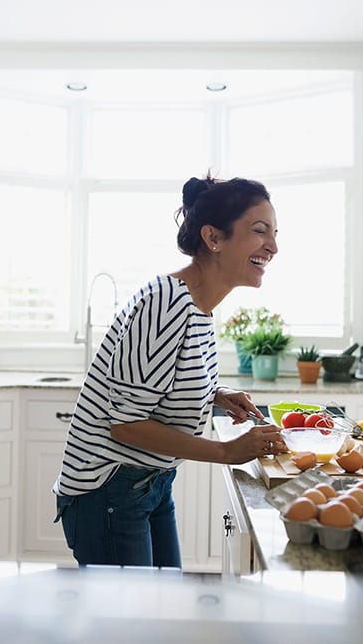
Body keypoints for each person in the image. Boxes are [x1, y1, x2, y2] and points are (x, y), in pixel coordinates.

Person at [53, 173, 287, 568]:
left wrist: (216, 394)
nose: (274, 246)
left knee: (158, 613)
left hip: (150, 483)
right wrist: (226, 451)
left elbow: (164, 378)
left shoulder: (200, 306)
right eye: (260, 230)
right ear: (214, 238)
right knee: (136, 626)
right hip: (108, 488)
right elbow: (125, 424)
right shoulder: (165, 303)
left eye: (275, 233)